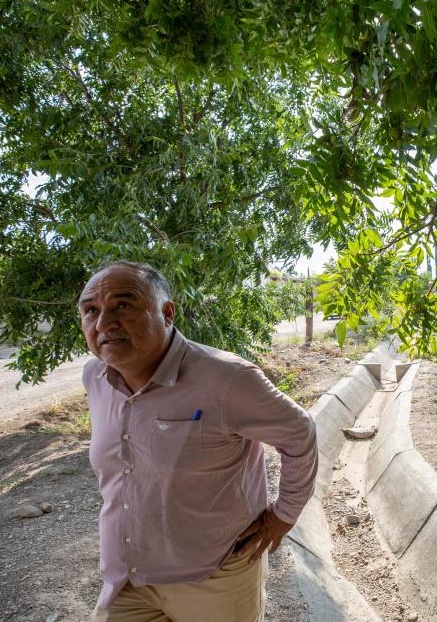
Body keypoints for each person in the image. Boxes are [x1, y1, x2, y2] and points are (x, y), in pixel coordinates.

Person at [78, 260, 317, 622]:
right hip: (128, 577)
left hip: (216, 578)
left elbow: (300, 433)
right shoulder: (95, 376)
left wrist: (282, 516)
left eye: (122, 305)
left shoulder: (227, 379)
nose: (104, 323)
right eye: (90, 310)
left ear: (167, 313)